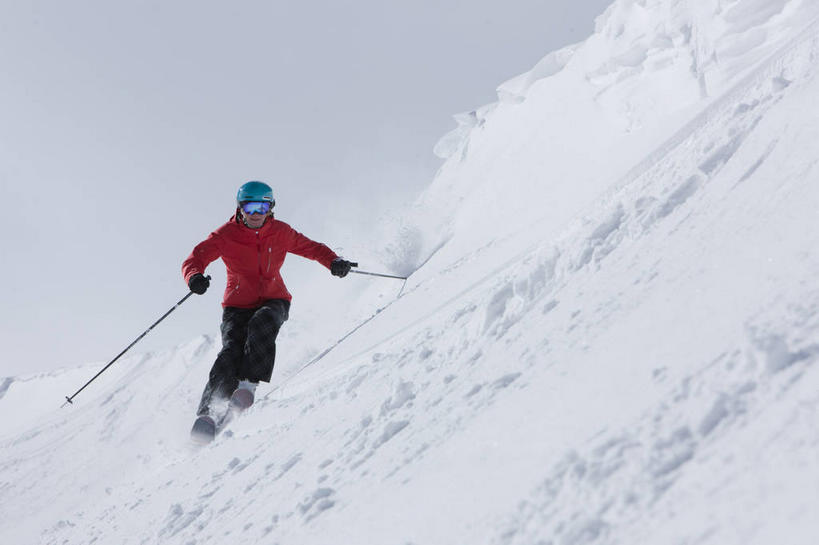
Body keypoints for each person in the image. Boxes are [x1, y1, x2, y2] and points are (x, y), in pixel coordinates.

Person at [182, 181, 354, 440]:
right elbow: (195, 258)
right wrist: (194, 276)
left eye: (262, 206)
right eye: (250, 206)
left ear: (270, 208)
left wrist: (333, 261)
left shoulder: (281, 232)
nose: (255, 213)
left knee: (262, 323)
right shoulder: (226, 235)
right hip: (236, 306)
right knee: (230, 353)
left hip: (274, 299)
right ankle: (208, 413)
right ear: (240, 208)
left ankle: (247, 386)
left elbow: (311, 247)